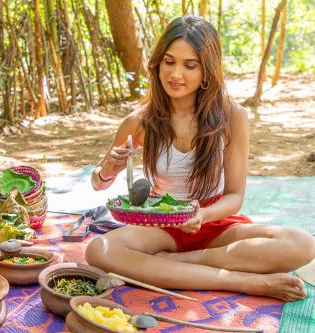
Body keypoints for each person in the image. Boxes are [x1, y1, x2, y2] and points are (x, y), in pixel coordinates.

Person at [86, 16, 314, 302]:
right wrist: (108, 168)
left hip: (215, 222)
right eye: (169, 62)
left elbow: (234, 196)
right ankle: (245, 282)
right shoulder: (139, 121)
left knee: (302, 244)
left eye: (189, 65)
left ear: (207, 70)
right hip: (163, 225)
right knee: (98, 250)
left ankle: (177, 264)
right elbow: (98, 184)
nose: (176, 74)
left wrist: (202, 215)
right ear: (158, 63)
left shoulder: (232, 116)